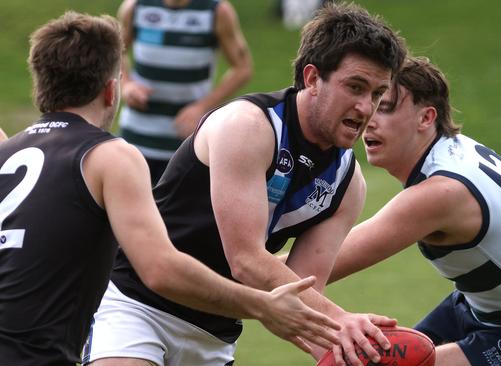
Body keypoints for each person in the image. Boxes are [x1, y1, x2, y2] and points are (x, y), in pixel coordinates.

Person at [0, 11, 342, 366]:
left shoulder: (5, 152)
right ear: (111, 89)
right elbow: (160, 269)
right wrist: (262, 306)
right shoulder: (109, 156)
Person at [84, 3, 407, 366]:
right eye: (355, 87)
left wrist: (348, 351)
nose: (366, 108)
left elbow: (299, 293)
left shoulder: (347, 185)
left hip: (214, 336)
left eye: (378, 93)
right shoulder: (248, 127)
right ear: (313, 78)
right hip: (135, 305)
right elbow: (246, 261)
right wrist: (342, 320)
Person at [329, 56, 501, 365]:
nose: (369, 119)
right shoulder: (457, 146)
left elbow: (320, 266)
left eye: (385, 107)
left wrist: (261, 286)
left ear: (426, 118)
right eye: (372, 103)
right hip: (480, 307)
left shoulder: (439, 192)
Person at [117, 0, 253, 184]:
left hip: (186, 146)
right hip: (135, 141)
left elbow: (242, 68)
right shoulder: (136, 7)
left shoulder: (217, 11)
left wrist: (203, 107)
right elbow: (115, 53)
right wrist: (127, 85)